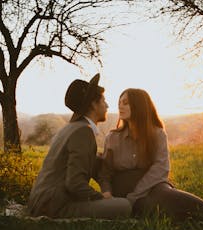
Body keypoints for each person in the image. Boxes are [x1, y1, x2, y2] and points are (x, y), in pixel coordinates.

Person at [98, 88, 203, 221]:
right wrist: (107, 194)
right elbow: (105, 172)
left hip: (152, 185)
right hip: (123, 189)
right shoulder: (112, 137)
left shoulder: (157, 134)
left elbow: (161, 168)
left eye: (125, 103)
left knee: (166, 194)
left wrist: (136, 195)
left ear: (139, 105)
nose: (120, 106)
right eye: (119, 102)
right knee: (155, 207)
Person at [28, 74, 132, 219]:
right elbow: (74, 183)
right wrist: (101, 198)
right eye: (104, 101)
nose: (107, 105)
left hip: (42, 202)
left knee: (118, 204)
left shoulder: (71, 128)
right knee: (124, 206)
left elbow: (89, 164)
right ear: (93, 105)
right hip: (54, 206)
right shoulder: (83, 131)